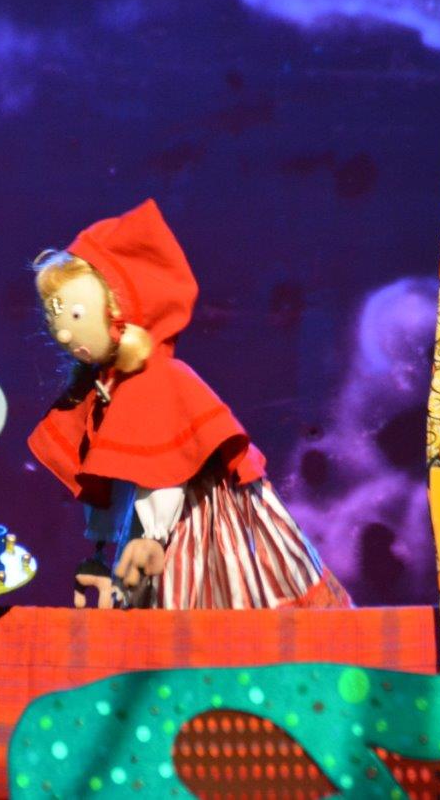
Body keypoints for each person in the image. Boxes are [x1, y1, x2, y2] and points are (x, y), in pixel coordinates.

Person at [28, 199, 350, 609]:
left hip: (199, 517)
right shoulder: (108, 386)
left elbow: (162, 473)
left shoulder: (156, 383)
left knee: (216, 601)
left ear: (118, 311)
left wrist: (153, 537)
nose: (61, 334)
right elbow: (122, 476)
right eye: (54, 320)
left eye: (73, 316)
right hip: (155, 520)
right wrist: (104, 547)